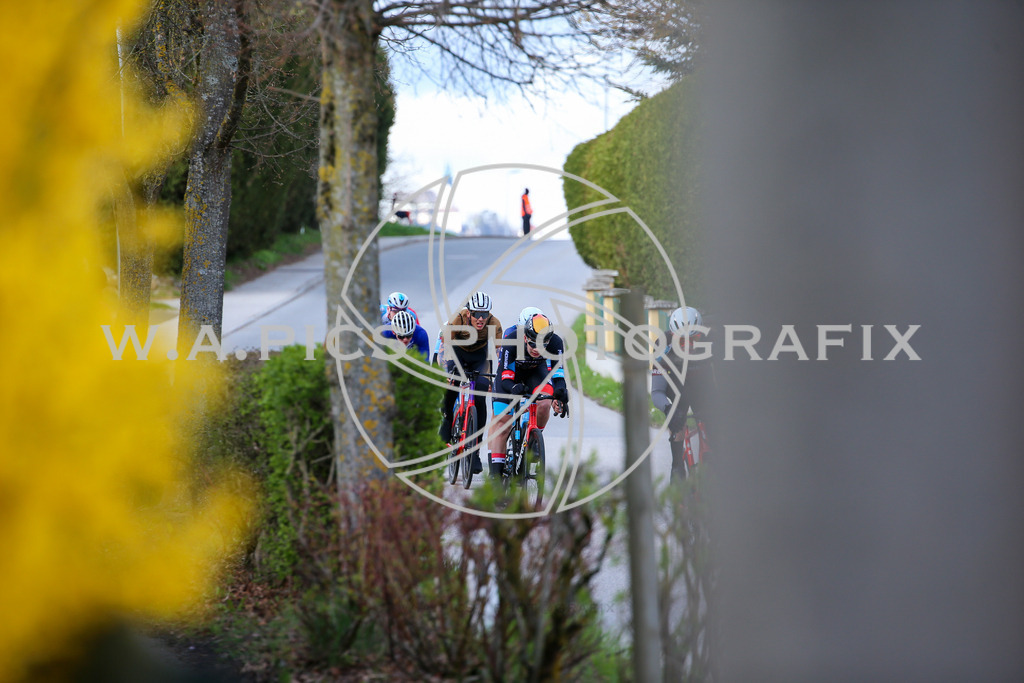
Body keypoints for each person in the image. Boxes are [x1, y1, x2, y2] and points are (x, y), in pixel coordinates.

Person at [488, 312, 569, 478]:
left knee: (544, 403)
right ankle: (495, 476)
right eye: (533, 344)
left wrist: (561, 393)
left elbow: (558, 374)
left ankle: (533, 442)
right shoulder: (512, 340)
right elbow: (505, 377)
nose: (537, 349)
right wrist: (513, 387)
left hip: (535, 373)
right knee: (503, 424)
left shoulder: (555, 342)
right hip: (510, 378)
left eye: (542, 345)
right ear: (525, 338)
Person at [438, 291, 504, 474]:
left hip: (479, 357)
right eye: (476, 314)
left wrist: (500, 373)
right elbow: (444, 346)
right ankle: (447, 420)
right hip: (457, 353)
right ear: (469, 313)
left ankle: (474, 452)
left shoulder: (494, 323)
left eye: (484, 314)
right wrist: (446, 370)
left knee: (481, 395)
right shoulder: (458, 319)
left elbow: (499, 351)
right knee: (453, 382)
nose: (481, 319)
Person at [651, 306, 715, 481]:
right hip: (676, 387)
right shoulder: (662, 345)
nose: (688, 346)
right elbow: (657, 391)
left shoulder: (711, 341)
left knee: (713, 424)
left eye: (694, 339)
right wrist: (668, 409)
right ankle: (677, 465)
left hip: (702, 385)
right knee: (677, 421)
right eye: (681, 341)